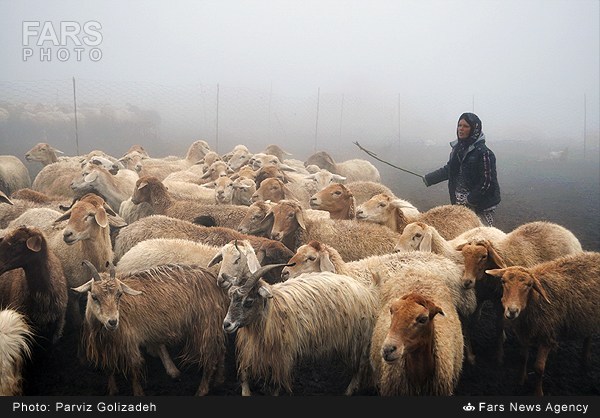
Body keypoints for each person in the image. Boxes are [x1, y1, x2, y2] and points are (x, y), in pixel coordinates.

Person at [423, 112, 501, 226]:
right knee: (462, 237)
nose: (461, 129)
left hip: (480, 207)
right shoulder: (457, 150)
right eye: (459, 125)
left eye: (466, 126)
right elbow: (450, 169)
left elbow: (487, 182)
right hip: (460, 205)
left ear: (474, 129)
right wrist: (429, 178)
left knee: (481, 238)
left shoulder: (484, 153)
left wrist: (470, 199)